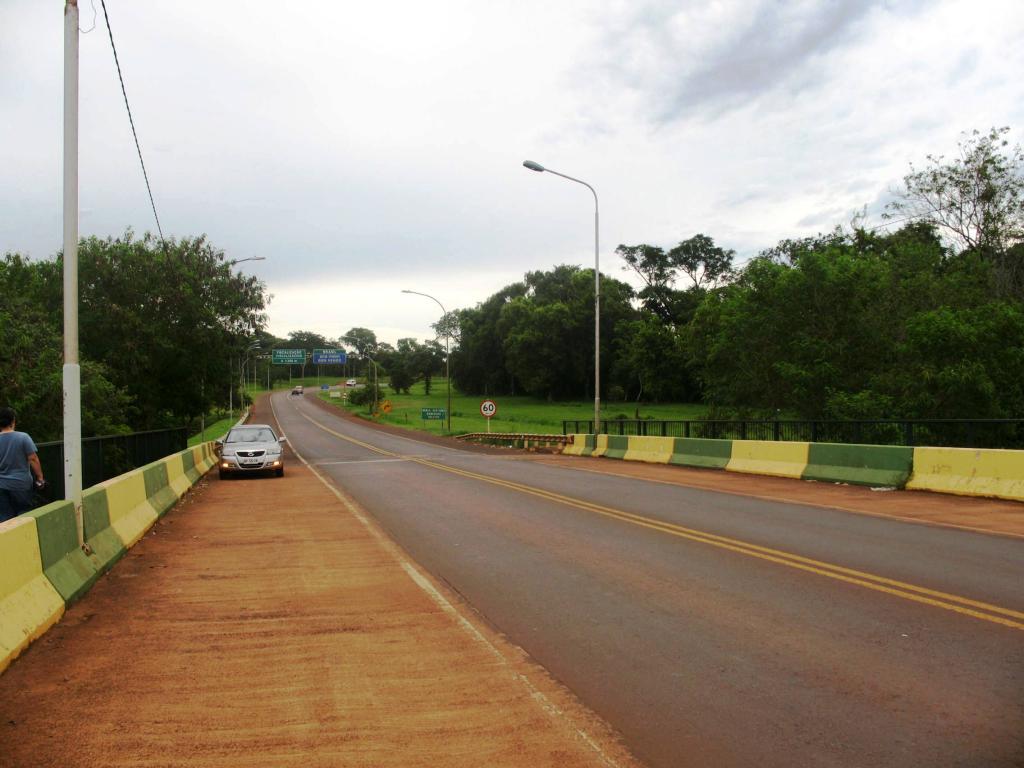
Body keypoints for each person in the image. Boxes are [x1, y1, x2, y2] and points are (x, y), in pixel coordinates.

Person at [0, 407, 45, 523]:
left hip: (1, 485)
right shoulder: (23, 437)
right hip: (21, 484)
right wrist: (40, 478)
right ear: (13, 421)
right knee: (23, 514)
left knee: (4, 517)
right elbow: (33, 459)